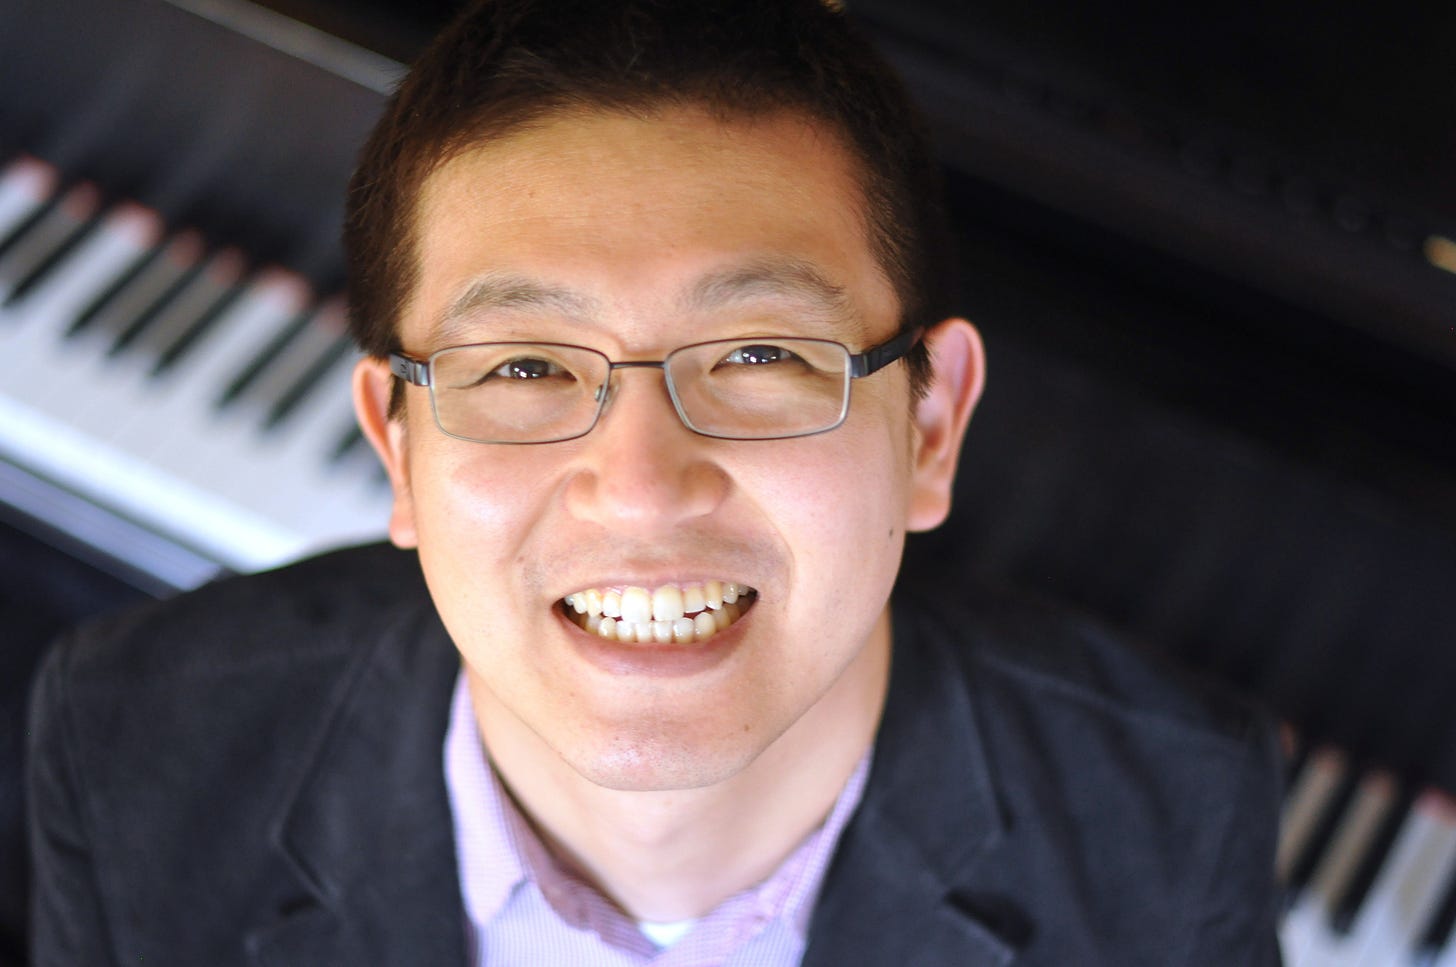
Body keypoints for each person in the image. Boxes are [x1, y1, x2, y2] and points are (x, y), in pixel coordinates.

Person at [26, 0, 1284, 963]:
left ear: (933, 423)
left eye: (756, 353)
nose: (638, 490)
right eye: (522, 363)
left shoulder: (1179, 821)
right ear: (398, 446)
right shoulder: (126, 735)